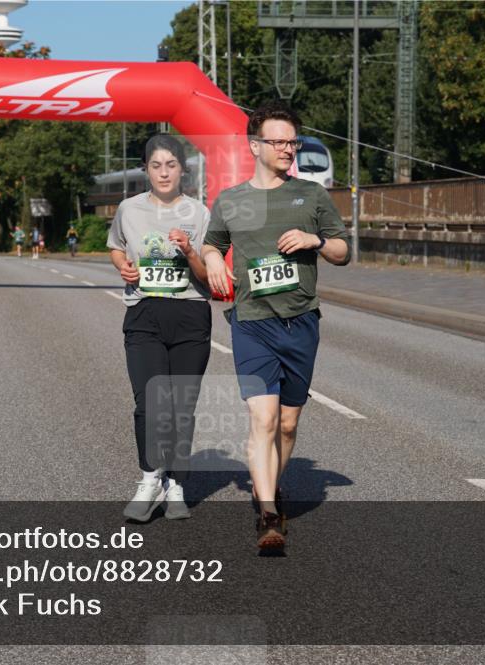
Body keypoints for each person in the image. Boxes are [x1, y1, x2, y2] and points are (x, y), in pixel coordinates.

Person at [201, 102, 350, 551]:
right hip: (252, 322)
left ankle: (269, 483)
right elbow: (212, 244)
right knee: (262, 419)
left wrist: (315, 240)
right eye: (278, 141)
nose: (287, 149)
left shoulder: (312, 195)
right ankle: (269, 514)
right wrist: (213, 261)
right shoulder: (231, 200)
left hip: (301, 320)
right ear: (255, 146)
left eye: (292, 142)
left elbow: (343, 251)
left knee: (286, 424)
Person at [108, 135, 212, 522]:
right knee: (149, 403)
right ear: (146, 170)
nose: (164, 172)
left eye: (171, 165)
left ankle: (176, 484)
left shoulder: (199, 213)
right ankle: (150, 478)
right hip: (144, 313)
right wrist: (123, 266)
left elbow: (208, 275)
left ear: (183, 170)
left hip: (190, 313)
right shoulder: (128, 209)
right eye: (156, 165)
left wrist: (189, 251)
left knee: (181, 407)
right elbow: (116, 246)